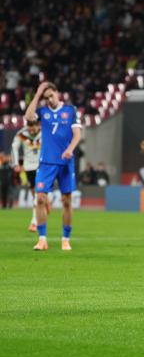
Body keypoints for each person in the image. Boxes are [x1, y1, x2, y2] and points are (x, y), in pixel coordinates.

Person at [25, 81, 82, 251]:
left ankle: (66, 239)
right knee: (40, 198)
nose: (49, 99)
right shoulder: (43, 112)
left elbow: (77, 135)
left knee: (66, 201)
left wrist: (70, 150)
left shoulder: (70, 111)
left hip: (65, 162)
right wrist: (37, 94)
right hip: (46, 162)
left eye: (51, 95)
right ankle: (42, 239)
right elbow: (28, 117)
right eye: (46, 97)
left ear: (57, 93)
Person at [11, 120, 42, 230]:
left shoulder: (45, 133)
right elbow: (14, 147)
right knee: (35, 194)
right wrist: (16, 164)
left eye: (34, 126)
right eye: (30, 127)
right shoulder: (21, 133)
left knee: (39, 193)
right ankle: (44, 205)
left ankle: (34, 222)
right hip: (29, 167)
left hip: (41, 166)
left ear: (38, 125)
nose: (32, 129)